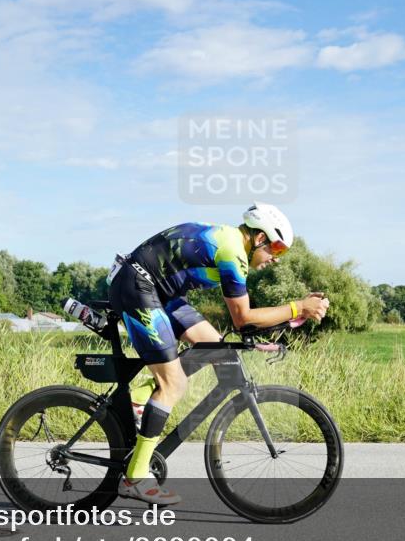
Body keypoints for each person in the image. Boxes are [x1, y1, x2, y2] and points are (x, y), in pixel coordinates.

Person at [106, 202, 330, 505]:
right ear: (260, 238)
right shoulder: (233, 253)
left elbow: (242, 325)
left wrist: (285, 321)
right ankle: (135, 477)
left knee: (218, 349)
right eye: (276, 249)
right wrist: (298, 307)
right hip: (138, 287)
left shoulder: (231, 243)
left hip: (160, 291)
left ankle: (140, 397)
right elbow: (243, 318)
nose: (275, 259)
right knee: (174, 385)